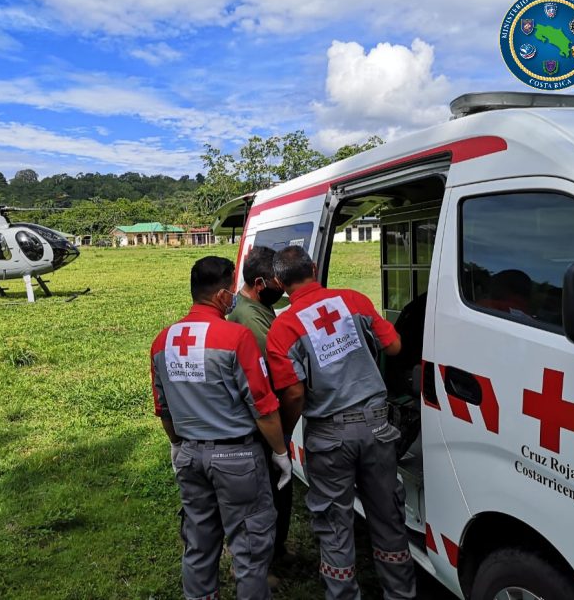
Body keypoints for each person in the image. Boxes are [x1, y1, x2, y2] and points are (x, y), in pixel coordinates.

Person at [265, 246, 415, 600]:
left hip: (329, 435)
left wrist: (284, 434)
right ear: (314, 267)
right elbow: (394, 347)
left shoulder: (283, 328)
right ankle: (401, 593)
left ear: (279, 283)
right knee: (388, 517)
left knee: (334, 526)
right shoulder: (354, 300)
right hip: (377, 427)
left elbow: (294, 394)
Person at [150, 256, 292, 600]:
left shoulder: (162, 341)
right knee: (250, 549)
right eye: (231, 290)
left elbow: (163, 409)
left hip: (189, 456)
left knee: (198, 542)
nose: (234, 297)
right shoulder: (236, 337)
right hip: (237, 459)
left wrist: (176, 445)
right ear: (220, 295)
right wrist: (280, 452)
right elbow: (263, 405)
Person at [227, 246, 294, 569]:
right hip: (262, 422)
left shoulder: (256, 306)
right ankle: (267, 560)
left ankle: (275, 552)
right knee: (271, 493)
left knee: (278, 491)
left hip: (265, 419)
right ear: (258, 283)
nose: (282, 289)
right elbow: (279, 372)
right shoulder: (250, 319)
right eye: (278, 283)